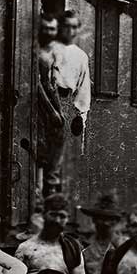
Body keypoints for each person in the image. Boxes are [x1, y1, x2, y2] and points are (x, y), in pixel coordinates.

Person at [34, 10, 91, 192]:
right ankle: (42, 190)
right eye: (66, 26)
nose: (70, 30)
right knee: (44, 151)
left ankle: (53, 193)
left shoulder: (81, 56)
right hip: (50, 99)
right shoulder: (51, 49)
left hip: (67, 102)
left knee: (60, 156)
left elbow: (83, 87)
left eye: (74, 27)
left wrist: (80, 115)